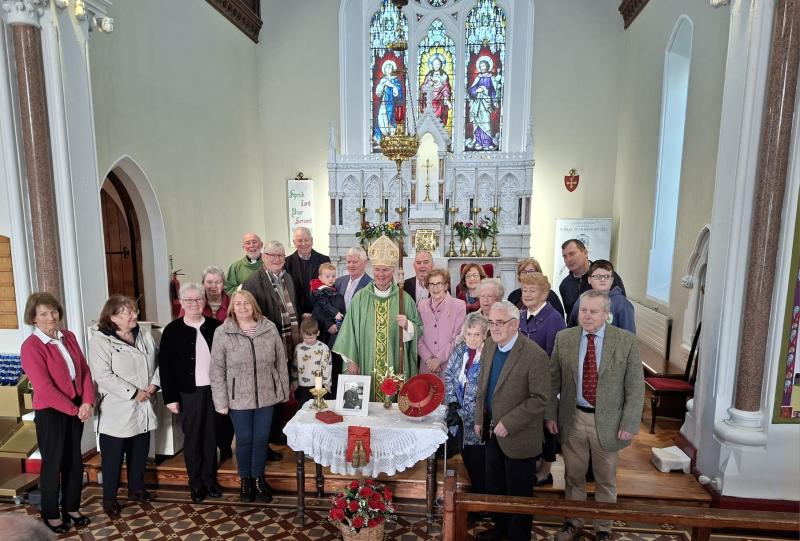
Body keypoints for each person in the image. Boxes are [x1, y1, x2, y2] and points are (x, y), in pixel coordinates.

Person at [547, 290, 644, 541]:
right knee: (573, 475)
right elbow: (552, 381)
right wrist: (550, 415)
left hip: (608, 422)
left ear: (607, 314)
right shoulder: (565, 338)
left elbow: (635, 387)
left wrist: (629, 422)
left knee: (605, 478)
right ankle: (574, 522)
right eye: (583, 310)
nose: (587, 316)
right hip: (573, 417)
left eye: (593, 311)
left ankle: (603, 527)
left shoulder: (626, 341)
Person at [473, 301, 550, 541]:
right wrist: (479, 418)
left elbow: (540, 399)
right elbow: (482, 387)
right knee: (495, 485)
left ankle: (518, 535)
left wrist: (510, 422)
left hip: (519, 436)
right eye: (491, 322)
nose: (494, 328)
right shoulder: (489, 347)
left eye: (500, 323)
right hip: (491, 431)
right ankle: (501, 528)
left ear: (515, 324)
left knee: (518, 492)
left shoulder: (534, 355)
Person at [20, 292, 94, 534]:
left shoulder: (69, 337)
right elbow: (44, 387)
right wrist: (74, 409)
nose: (50, 317)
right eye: (43, 313)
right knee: (53, 463)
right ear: (33, 319)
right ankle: (50, 513)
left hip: (76, 407)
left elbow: (83, 371)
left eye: (53, 312)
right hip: (51, 411)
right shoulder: (31, 346)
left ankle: (71, 508)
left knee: (74, 461)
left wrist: (88, 402)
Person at [210, 290, 290, 503]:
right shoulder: (223, 332)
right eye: (238, 304)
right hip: (238, 397)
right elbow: (217, 369)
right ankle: (245, 480)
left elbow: (281, 361)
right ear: (232, 308)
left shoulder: (269, 327)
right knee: (244, 439)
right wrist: (220, 401)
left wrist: (282, 390)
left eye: (247, 303)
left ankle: (258, 479)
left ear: (253, 305)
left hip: (266, 394)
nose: (243, 307)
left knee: (261, 439)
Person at [88, 296, 159, 518]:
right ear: (112, 317)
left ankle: (136, 488)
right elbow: (103, 375)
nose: (134, 315)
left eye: (134, 311)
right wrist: (134, 393)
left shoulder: (144, 334)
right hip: (117, 408)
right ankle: (109, 499)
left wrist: (154, 385)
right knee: (113, 458)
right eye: (128, 313)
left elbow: (159, 362)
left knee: (139, 452)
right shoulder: (100, 340)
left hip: (145, 403)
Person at [334, 235, 422, 399]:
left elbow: (419, 330)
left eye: (386, 270)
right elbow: (349, 333)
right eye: (377, 269)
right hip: (365, 365)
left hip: (395, 364)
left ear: (394, 270)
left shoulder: (404, 299)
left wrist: (408, 326)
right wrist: (352, 362)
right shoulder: (360, 298)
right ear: (371, 269)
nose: (381, 274)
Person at [159, 283, 223, 503]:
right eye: (189, 300)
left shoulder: (217, 326)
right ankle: (196, 483)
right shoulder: (172, 330)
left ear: (204, 301)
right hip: (189, 392)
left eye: (198, 299)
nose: (194, 304)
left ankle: (210, 480)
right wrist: (170, 398)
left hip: (215, 391)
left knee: (211, 437)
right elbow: (165, 367)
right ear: (182, 302)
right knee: (194, 438)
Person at [242, 239, 300, 461]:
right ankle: (263, 445)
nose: (277, 259)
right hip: (266, 349)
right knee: (267, 396)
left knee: (279, 393)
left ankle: (276, 433)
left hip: (287, 344)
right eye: (272, 255)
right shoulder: (252, 283)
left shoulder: (287, 278)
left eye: (280, 256)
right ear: (264, 257)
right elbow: (250, 319)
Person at [517, 273, 566, 487]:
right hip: (522, 382)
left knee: (547, 427)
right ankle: (531, 464)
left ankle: (546, 470)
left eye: (532, 290)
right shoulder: (520, 314)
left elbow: (554, 358)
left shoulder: (553, 319)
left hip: (544, 383)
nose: (527, 294)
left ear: (544, 293)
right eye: (524, 290)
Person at [443, 312, 489, 495]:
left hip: (478, 418)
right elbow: (449, 377)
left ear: (485, 334)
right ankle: (475, 498)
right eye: (469, 334)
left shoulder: (488, 353)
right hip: (459, 415)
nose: (472, 338)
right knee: (466, 457)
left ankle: (482, 499)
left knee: (480, 461)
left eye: (477, 334)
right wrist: (452, 402)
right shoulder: (460, 349)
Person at [418, 268, 466, 379]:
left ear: (446, 286)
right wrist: (429, 359)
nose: (435, 288)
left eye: (439, 284)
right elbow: (417, 336)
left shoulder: (459, 305)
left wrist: (438, 360)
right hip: (427, 366)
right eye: (432, 284)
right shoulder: (421, 305)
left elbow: (458, 338)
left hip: (449, 367)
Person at [559, 239, 626, 317]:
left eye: (572, 254)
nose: (568, 259)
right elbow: (570, 316)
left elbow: (622, 309)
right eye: (565, 256)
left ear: (585, 252)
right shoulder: (564, 285)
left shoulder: (607, 276)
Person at [568, 260, 636, 333]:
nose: (603, 280)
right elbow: (571, 329)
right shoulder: (581, 300)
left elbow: (629, 337)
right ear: (589, 280)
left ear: (612, 280)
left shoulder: (623, 304)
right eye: (598, 276)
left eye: (607, 276)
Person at [284, 226, 331, 315]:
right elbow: (287, 293)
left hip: (320, 313)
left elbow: (328, 288)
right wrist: (300, 313)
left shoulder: (324, 260)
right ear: (294, 243)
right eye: (300, 240)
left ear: (312, 240)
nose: (304, 243)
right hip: (296, 313)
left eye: (307, 240)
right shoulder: (286, 263)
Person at [293, 318, 332, 407]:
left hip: (319, 386)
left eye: (311, 337)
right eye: (305, 338)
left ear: (317, 333)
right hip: (302, 387)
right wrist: (294, 384)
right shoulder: (298, 348)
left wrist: (327, 385)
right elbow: (294, 367)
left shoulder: (324, 348)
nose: (308, 340)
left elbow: (327, 367)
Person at [467, 58, 500, 151]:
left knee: (486, 122)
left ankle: (487, 142)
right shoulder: (478, 77)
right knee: (477, 122)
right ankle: (478, 141)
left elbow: (494, 91)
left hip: (486, 102)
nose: (482, 68)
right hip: (477, 102)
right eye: (481, 66)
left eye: (484, 66)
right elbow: (471, 89)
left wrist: (494, 100)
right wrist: (477, 90)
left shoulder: (491, 77)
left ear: (488, 66)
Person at [311, 262, 346, 347]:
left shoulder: (330, 288)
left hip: (331, 323)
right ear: (320, 278)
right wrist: (335, 312)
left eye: (333, 276)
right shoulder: (320, 290)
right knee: (323, 344)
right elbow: (324, 303)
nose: (331, 279)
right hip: (322, 325)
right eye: (327, 276)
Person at [373, 60, 403, 144]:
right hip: (383, 102)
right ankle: (383, 138)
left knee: (390, 118)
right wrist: (382, 85)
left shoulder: (395, 80)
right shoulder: (382, 80)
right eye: (387, 67)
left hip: (392, 103)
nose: (389, 69)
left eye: (390, 67)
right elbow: (378, 94)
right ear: (384, 69)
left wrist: (392, 85)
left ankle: (392, 136)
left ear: (393, 69)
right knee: (381, 117)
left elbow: (398, 93)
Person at [420, 54, 452, 129]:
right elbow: (423, 88)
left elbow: (446, 88)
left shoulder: (444, 76)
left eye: (438, 64)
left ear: (441, 64)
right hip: (430, 101)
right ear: (432, 65)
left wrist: (446, 98)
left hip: (439, 101)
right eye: (434, 64)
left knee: (438, 121)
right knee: (429, 119)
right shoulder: (429, 76)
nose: (436, 66)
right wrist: (429, 85)